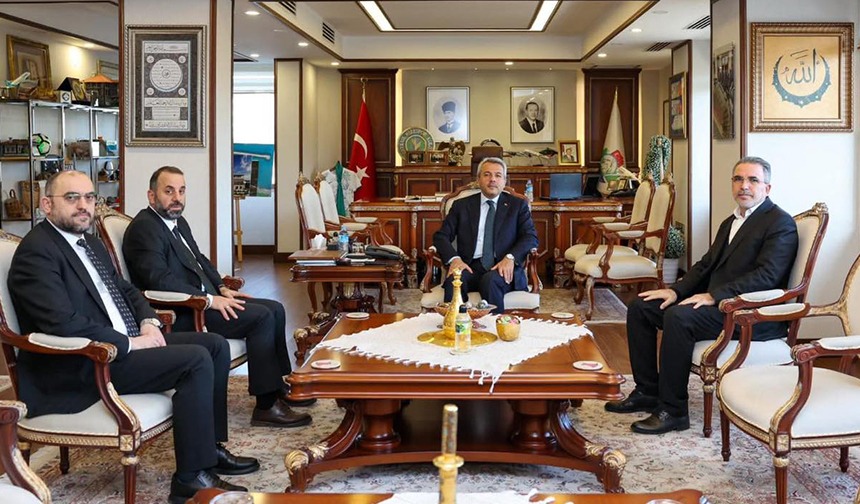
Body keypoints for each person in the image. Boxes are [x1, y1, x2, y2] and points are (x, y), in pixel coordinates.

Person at [7, 171, 259, 504]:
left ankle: (209, 451)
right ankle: (190, 480)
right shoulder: (36, 253)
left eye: (89, 198)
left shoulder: (88, 242)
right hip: (84, 363)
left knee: (212, 346)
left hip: (121, 344)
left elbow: (126, 289)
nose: (83, 206)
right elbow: (62, 324)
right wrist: (128, 343)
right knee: (195, 360)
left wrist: (148, 321)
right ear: (46, 205)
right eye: (72, 198)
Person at [605, 156, 798, 434]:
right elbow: (706, 265)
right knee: (641, 306)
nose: (744, 186)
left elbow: (766, 277)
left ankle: (673, 411)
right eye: (738, 179)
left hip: (751, 314)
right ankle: (647, 391)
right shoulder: (731, 221)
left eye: (753, 180)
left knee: (679, 318)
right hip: (722, 306)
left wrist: (713, 296)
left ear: (767, 188)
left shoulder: (780, 223)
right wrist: (675, 290)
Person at [122, 166, 313, 429]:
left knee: (275, 308)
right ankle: (267, 406)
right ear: (152, 196)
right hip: (185, 311)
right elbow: (159, 281)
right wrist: (209, 299)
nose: (177, 198)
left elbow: (200, 260)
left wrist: (222, 288)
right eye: (169, 191)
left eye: (181, 191)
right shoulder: (145, 228)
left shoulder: (177, 222)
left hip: (206, 300)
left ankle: (277, 387)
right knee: (261, 318)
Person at [433, 157, 538, 313]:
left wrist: (510, 258)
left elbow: (530, 237)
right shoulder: (462, 205)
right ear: (478, 179)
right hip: (470, 266)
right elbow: (441, 236)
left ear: (504, 181)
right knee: (454, 282)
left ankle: (495, 326)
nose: (492, 179)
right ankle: (455, 325)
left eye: (498, 175)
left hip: (502, 267)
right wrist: (455, 259)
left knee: (490, 281)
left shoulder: (517, 205)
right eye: (487, 174)